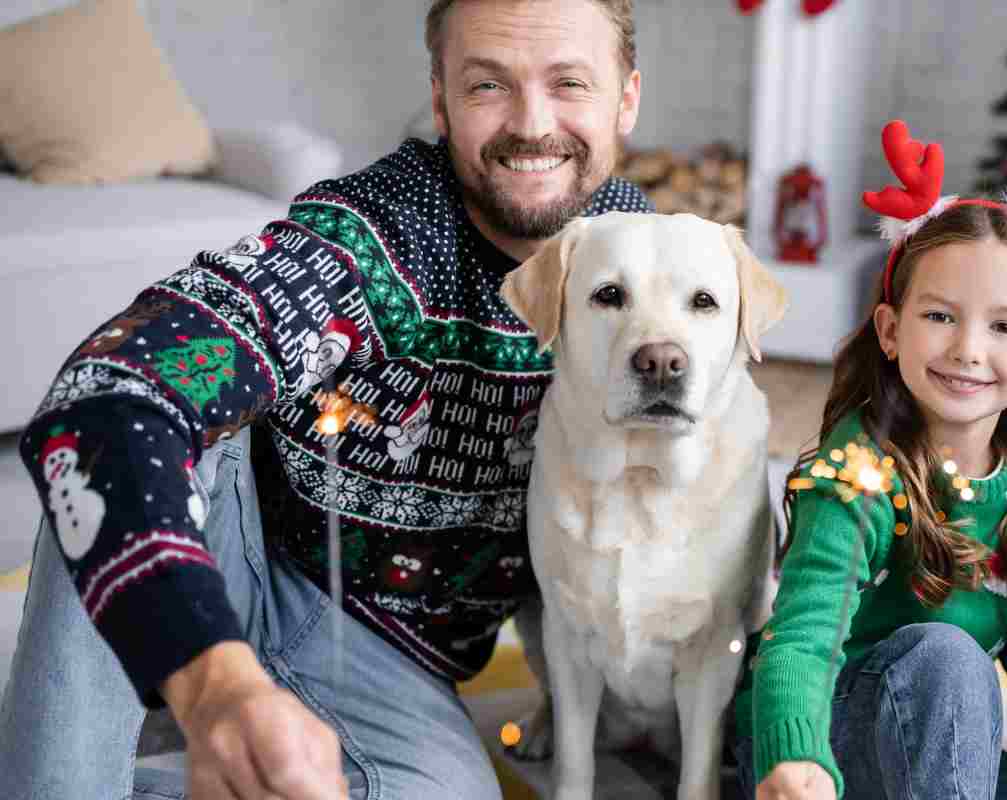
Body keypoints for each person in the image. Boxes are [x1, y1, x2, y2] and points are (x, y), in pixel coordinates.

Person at [0, 1, 650, 798]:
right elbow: (99, 396)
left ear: (626, 97)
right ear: (442, 102)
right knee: (126, 425)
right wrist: (216, 683)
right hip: (240, 557)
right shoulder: (371, 238)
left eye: (570, 83)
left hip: (391, 658)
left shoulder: (652, 263)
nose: (531, 123)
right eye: (487, 85)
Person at [731, 120, 1007, 800]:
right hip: (815, 745)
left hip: (931, 729)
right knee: (951, 658)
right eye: (941, 316)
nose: (969, 350)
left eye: (1003, 326)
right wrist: (795, 756)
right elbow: (803, 639)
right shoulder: (858, 474)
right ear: (890, 330)